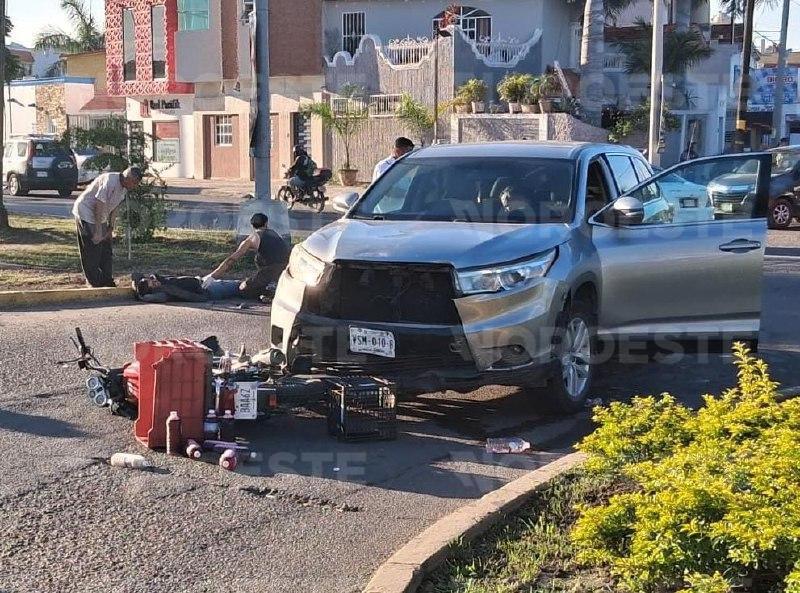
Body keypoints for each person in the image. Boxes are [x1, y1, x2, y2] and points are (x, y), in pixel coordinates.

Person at [72, 167, 143, 287]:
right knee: (93, 247)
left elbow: (114, 207)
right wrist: (98, 231)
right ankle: (94, 282)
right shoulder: (110, 181)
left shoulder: (124, 188)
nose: (135, 186)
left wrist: (110, 229)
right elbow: (98, 205)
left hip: (101, 216)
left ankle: (107, 279)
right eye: (134, 183)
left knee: (106, 247)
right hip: (86, 212)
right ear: (127, 179)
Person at [202, 212, 290, 299]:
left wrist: (212, 276)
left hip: (270, 273)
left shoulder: (252, 239)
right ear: (266, 223)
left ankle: (268, 291)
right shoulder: (275, 234)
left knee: (243, 288)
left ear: (252, 225)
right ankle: (270, 289)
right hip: (288, 270)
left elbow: (232, 259)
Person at [132, 273, 241, 303]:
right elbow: (190, 296)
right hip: (207, 290)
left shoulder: (161, 283)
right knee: (238, 286)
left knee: (237, 285)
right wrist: (141, 296)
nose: (155, 281)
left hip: (201, 281)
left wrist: (136, 287)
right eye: (153, 284)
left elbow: (135, 274)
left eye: (152, 280)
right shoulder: (166, 292)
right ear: (153, 290)